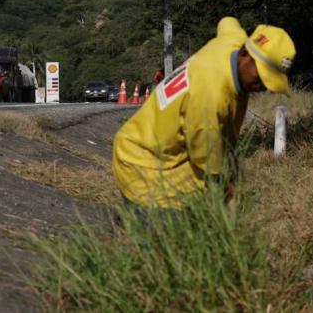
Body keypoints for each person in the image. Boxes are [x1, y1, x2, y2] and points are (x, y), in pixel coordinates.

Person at [112, 17, 295, 209]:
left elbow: (227, 22)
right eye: (261, 77)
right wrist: (229, 191)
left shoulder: (233, 42)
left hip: (159, 147)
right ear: (245, 55)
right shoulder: (211, 95)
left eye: (270, 81)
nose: (264, 86)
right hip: (142, 163)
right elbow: (209, 162)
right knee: (175, 228)